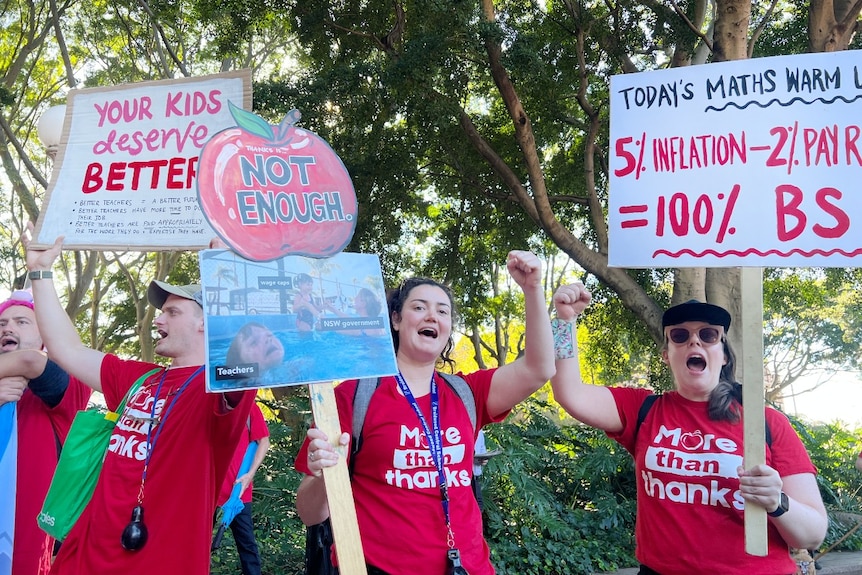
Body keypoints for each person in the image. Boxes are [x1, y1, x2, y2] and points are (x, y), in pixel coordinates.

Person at [294, 250, 555, 575]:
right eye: (419, 307)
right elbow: (309, 513)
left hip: (468, 567)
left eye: (442, 311)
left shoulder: (467, 393)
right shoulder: (353, 395)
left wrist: (533, 289)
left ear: (448, 328)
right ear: (396, 319)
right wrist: (324, 473)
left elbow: (539, 368)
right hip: (378, 568)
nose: (432, 316)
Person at [549, 285, 828, 575]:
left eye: (708, 335)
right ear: (666, 355)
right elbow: (569, 393)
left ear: (724, 356)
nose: (694, 341)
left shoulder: (767, 423)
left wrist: (776, 501)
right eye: (680, 336)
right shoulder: (643, 410)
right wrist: (564, 320)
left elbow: (812, 534)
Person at [23, 232, 255, 575]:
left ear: (207, 323)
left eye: (173, 312)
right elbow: (66, 350)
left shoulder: (217, 391)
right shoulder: (140, 379)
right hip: (81, 560)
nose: (158, 320)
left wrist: (224, 272)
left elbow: (248, 351)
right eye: (161, 312)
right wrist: (41, 274)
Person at [0, 291, 90, 575]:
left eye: (21, 322)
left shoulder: (69, 384)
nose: (7, 328)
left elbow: (30, 362)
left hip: (25, 546)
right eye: (2, 323)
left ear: (45, 337)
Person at [216, 401, 270, 575]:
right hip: (209, 493)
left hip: (238, 492)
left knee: (247, 548)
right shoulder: (207, 404)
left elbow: (264, 441)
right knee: (197, 546)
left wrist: (251, 474)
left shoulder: (249, 408)